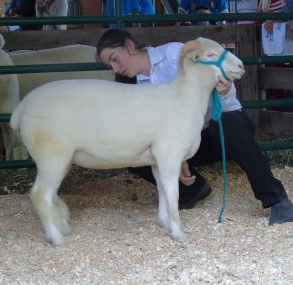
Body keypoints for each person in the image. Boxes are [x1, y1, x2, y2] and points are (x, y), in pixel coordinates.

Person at [96, 28, 293, 225]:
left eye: (114, 59)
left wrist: (224, 89)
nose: (115, 68)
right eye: (109, 64)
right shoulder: (129, 86)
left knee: (227, 124)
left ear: (129, 46)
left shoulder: (175, 55)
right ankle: (192, 189)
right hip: (179, 142)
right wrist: (175, 154)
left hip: (214, 131)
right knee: (131, 150)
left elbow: (223, 91)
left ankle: (277, 200)